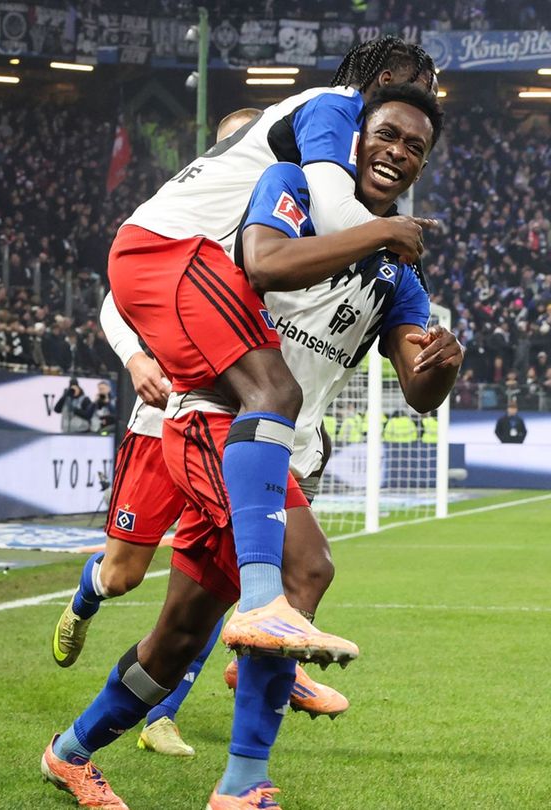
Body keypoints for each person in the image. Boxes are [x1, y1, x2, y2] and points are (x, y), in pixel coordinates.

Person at [42, 86, 458, 810]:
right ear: (355, 139)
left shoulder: (400, 276)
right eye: (387, 134)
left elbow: (419, 388)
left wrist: (442, 364)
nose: (398, 152)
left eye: (415, 147)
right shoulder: (290, 185)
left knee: (176, 642)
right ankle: (243, 782)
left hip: (276, 454)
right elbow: (263, 263)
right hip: (213, 419)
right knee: (307, 570)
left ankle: (69, 753)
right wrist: (379, 234)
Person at [103, 36, 439, 663]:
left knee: (200, 612)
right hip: (169, 258)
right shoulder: (333, 109)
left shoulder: (382, 261)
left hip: (190, 286)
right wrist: (390, 230)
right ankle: (261, 610)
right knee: (273, 396)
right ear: (383, 80)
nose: (424, 107)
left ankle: (246, 658)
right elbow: (330, 220)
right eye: (419, 88)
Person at [50, 108, 346, 762]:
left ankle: (168, 718)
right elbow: (117, 297)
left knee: (234, 571)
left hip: (228, 425)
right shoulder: (192, 214)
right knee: (125, 575)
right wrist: (136, 359)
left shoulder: (289, 215)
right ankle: (89, 595)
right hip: (161, 422)